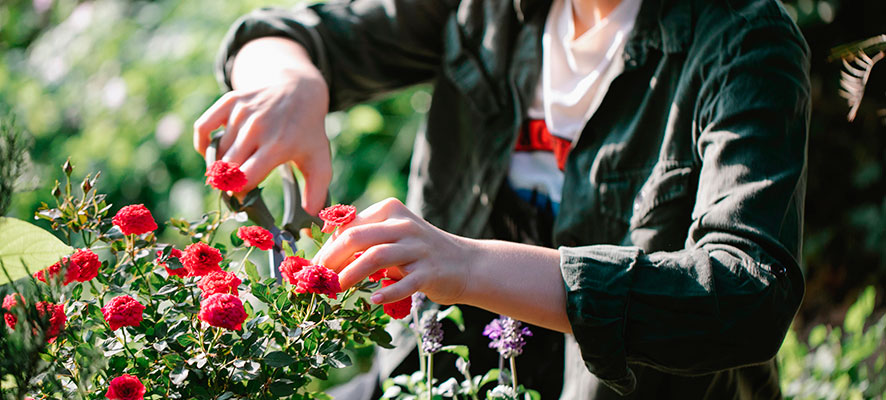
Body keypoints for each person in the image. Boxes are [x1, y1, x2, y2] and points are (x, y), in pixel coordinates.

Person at [193, 0, 810, 397]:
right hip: (434, 375)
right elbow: (291, 34)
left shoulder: (744, 39)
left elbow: (745, 293)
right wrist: (291, 82)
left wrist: (466, 265)